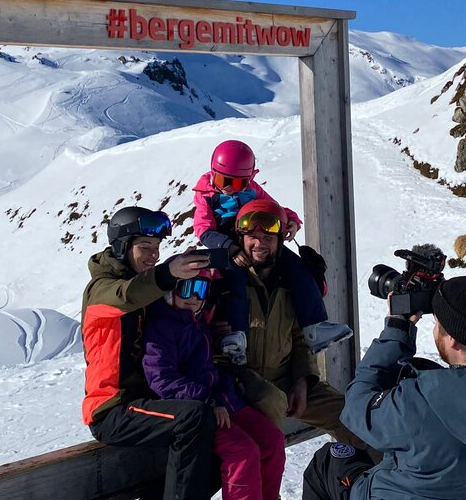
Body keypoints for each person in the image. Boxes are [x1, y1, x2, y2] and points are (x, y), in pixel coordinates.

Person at [302, 275, 466, 500]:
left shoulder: (422, 399)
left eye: (438, 323)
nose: (436, 329)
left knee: (329, 460)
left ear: (452, 341)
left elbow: (357, 408)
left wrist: (397, 329)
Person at [212, 199, 372, 459]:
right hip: (239, 381)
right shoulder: (223, 281)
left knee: (353, 417)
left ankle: (387, 481)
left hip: (285, 378)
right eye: (252, 236)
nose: (260, 243)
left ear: (280, 240)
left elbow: (299, 337)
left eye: (268, 237)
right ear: (240, 237)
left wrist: (303, 379)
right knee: (267, 442)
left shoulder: (291, 283)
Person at [81, 206, 217, 500]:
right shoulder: (101, 291)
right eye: (145, 247)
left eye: (156, 248)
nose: (153, 255)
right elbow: (127, 295)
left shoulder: (148, 288)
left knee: (222, 436)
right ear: (122, 246)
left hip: (148, 403)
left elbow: (179, 317)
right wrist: (167, 273)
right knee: (194, 418)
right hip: (112, 410)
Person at [193, 140, 353, 362]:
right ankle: (237, 336)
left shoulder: (253, 190)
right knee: (236, 283)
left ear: (249, 178)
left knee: (298, 269)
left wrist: (292, 221)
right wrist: (229, 247)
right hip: (228, 246)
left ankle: (315, 326)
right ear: (213, 173)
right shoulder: (205, 195)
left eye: (238, 182)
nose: (228, 187)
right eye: (223, 180)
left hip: (255, 236)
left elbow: (275, 209)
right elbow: (204, 230)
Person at [143, 267, 285, 500]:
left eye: (201, 290)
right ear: (172, 291)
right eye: (187, 288)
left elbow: (207, 367)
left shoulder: (199, 322)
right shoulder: (162, 324)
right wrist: (206, 400)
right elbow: (161, 377)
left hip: (221, 400)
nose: (194, 298)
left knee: (272, 440)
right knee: (242, 452)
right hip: (195, 411)